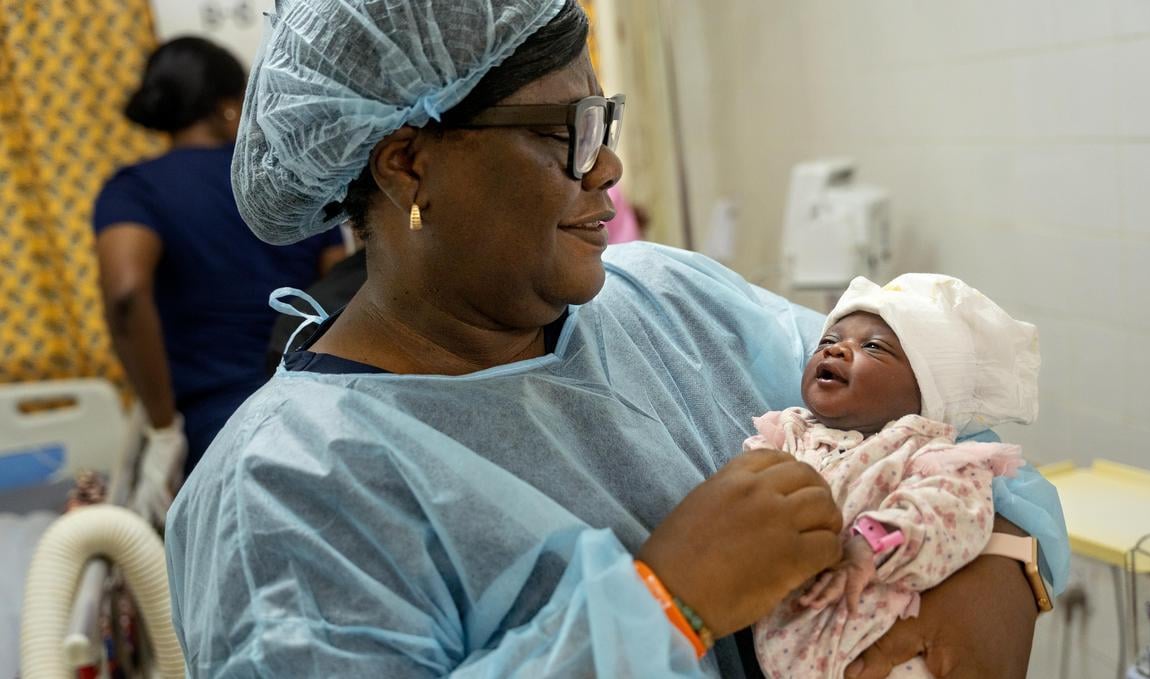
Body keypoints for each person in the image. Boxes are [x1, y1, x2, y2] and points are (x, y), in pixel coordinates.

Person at [164, 2, 1068, 677]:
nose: (606, 166)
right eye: (566, 130)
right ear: (410, 162)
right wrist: (666, 603)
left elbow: (958, 442)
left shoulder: (671, 302)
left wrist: (998, 563)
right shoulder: (286, 495)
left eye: (605, 119)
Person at [93, 36, 345, 523]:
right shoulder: (292, 184)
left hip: (216, 430)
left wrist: (163, 429)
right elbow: (341, 288)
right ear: (231, 107)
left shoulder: (136, 190)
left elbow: (125, 293)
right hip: (316, 412)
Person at [744, 274, 1041, 679]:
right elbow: (746, 493)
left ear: (925, 393)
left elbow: (946, 516)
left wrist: (872, 544)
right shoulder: (790, 431)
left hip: (879, 648)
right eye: (828, 341)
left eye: (872, 347)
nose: (838, 350)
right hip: (790, 650)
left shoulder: (927, 451)